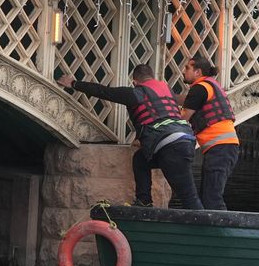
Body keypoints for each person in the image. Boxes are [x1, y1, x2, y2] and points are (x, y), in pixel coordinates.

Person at [56, 65, 204, 209]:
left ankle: (206, 230)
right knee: (140, 159)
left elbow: (104, 91)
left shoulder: (135, 93)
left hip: (170, 146)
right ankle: (144, 201)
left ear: (135, 82)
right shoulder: (166, 90)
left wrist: (74, 83)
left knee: (189, 198)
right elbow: (160, 114)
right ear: (152, 77)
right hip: (185, 141)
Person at [181, 55, 240, 210]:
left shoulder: (199, 89)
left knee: (212, 198)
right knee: (208, 196)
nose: (183, 71)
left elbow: (183, 117)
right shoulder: (210, 86)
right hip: (225, 148)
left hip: (220, 148)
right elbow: (188, 101)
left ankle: (220, 231)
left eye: (187, 68)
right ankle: (208, 229)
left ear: (197, 72)